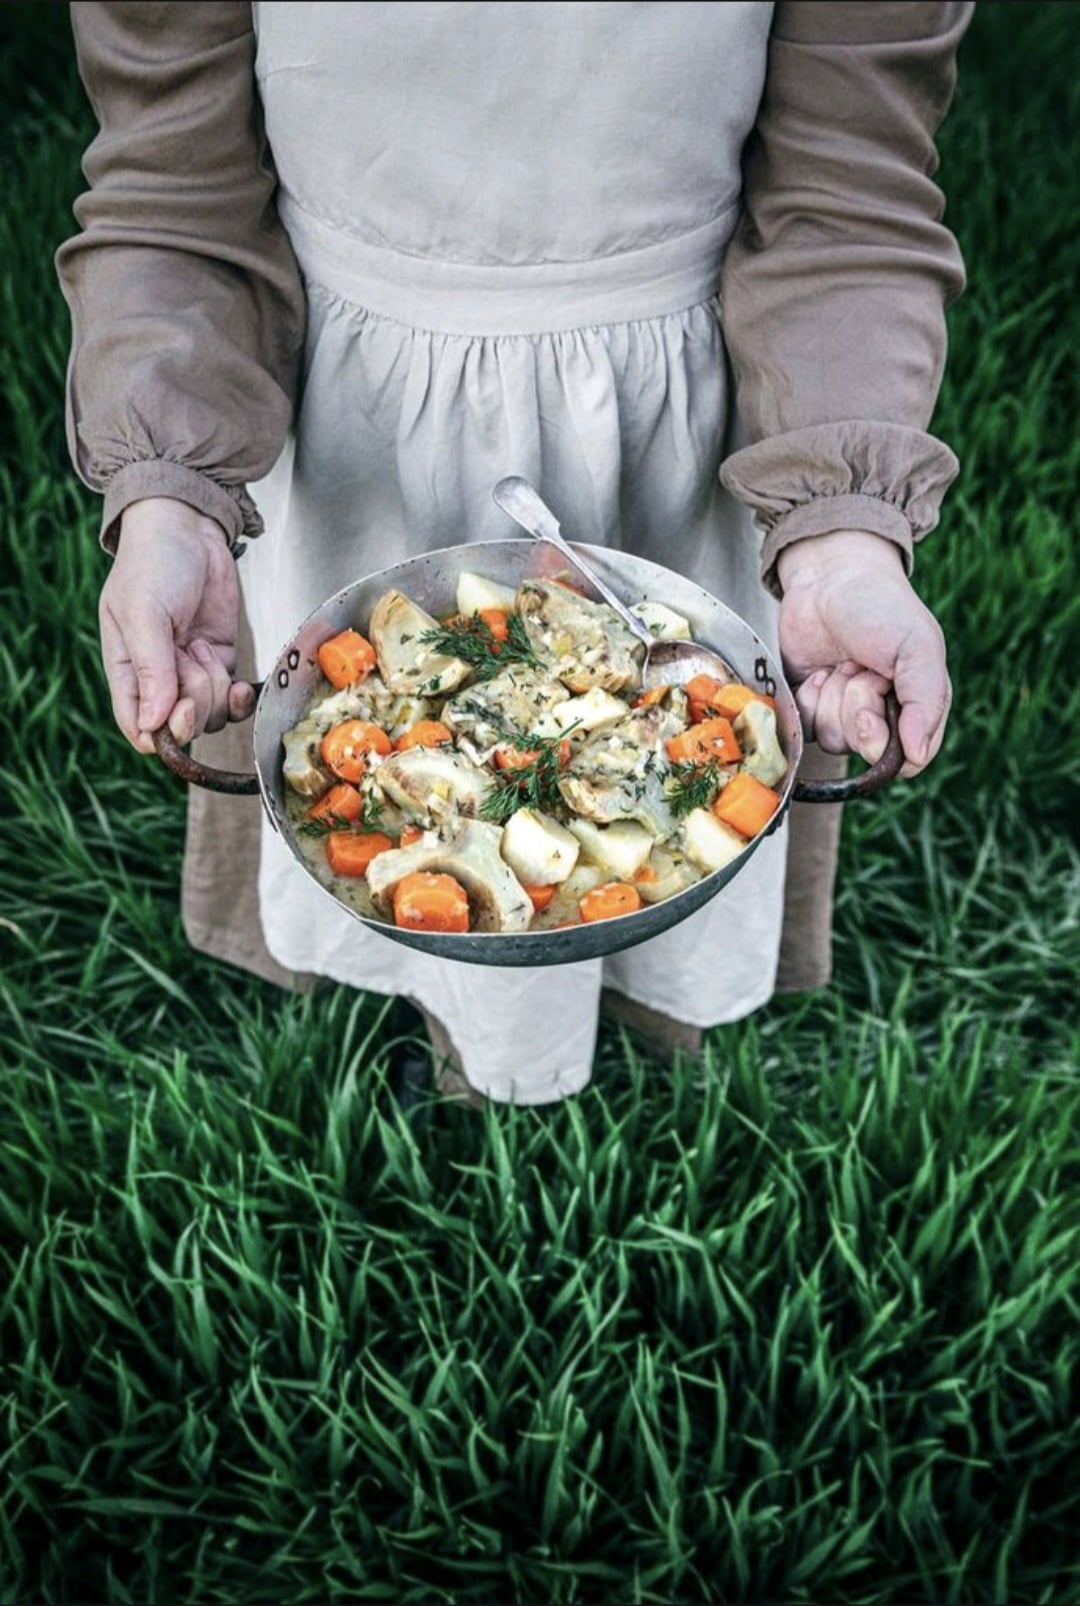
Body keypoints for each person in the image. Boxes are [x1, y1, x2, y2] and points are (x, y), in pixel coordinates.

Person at [58, 0, 970, 1105]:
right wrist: (171, 493)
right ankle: (450, 1026)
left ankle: (636, 1022)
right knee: (400, 790)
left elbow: (851, 191)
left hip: (683, 406)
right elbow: (172, 185)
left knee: (656, 791)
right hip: (352, 405)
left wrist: (842, 533)